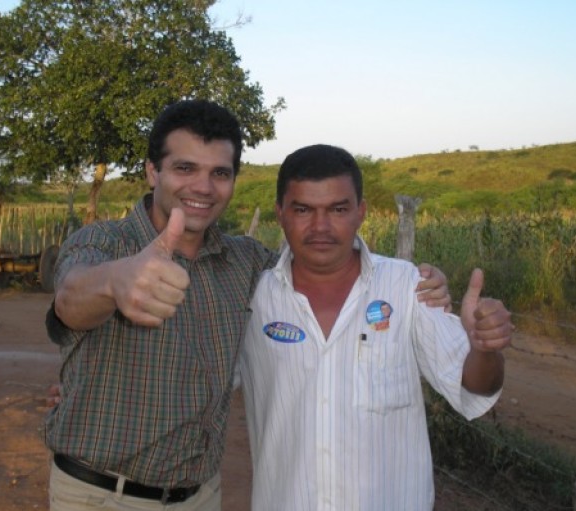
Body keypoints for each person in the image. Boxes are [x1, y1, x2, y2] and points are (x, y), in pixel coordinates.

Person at [42, 100, 451, 511]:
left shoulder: (248, 263)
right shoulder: (103, 244)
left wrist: (412, 281)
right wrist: (115, 281)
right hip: (100, 497)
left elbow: (323, 266)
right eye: (185, 168)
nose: (203, 187)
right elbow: (70, 300)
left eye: (219, 173)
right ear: (153, 171)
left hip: (199, 497)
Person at [238, 144, 513, 511]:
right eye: (303, 209)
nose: (320, 226)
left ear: (360, 213)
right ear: (280, 214)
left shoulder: (407, 286)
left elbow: (476, 383)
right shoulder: (251, 299)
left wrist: (485, 348)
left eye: (337, 209)